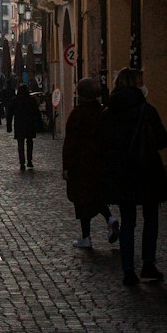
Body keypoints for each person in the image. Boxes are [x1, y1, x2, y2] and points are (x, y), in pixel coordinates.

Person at [105, 68, 167, 285]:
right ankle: (148, 264)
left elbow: (104, 145)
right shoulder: (146, 110)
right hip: (147, 170)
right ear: (135, 84)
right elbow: (162, 140)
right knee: (150, 218)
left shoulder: (110, 111)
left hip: (123, 172)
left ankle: (128, 270)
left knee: (128, 221)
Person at [62, 78, 119, 247]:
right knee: (96, 194)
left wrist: (66, 166)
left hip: (80, 164)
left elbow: (70, 142)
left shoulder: (77, 114)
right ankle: (110, 218)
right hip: (99, 162)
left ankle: (86, 237)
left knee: (82, 199)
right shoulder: (103, 112)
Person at [13, 83, 41, 170]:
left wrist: (9, 126)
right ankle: (29, 160)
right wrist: (38, 123)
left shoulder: (16, 100)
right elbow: (37, 112)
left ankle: (22, 163)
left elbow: (10, 113)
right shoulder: (31, 100)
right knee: (29, 143)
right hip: (29, 124)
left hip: (19, 124)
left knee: (20, 144)